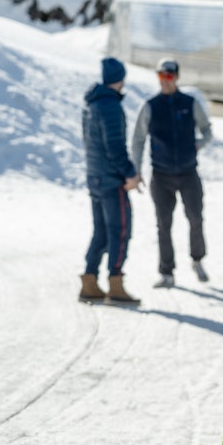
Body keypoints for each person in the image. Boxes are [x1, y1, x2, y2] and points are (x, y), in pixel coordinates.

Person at [131, 58, 213, 288]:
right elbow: (138, 139)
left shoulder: (189, 103)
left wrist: (200, 144)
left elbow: (207, 129)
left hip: (188, 172)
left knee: (196, 218)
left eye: (168, 76)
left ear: (176, 77)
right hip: (161, 174)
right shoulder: (150, 106)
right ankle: (167, 272)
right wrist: (136, 170)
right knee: (163, 224)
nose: (164, 81)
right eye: (161, 76)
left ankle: (197, 259)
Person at [80, 57, 144, 305]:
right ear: (120, 79)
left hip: (95, 176)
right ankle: (115, 284)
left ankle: (89, 280)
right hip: (110, 180)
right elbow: (115, 147)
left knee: (101, 231)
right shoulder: (110, 106)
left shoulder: (91, 104)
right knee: (120, 231)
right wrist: (130, 174)